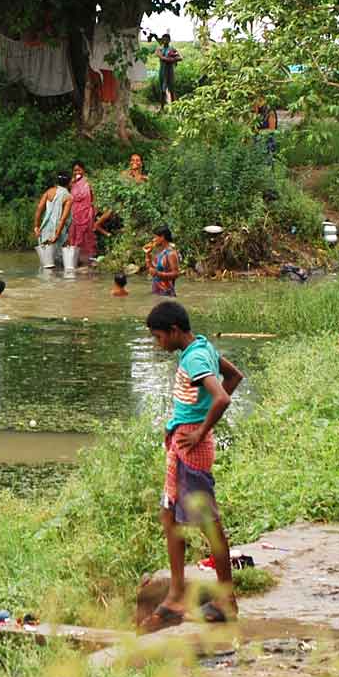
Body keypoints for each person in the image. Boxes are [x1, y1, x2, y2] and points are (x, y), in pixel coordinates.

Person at [142, 301, 245, 631]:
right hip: (181, 444)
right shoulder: (200, 348)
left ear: (174, 331)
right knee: (169, 514)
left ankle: (226, 600)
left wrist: (201, 428)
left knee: (206, 522)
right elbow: (234, 376)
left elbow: (223, 396)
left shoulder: (197, 356)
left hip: (192, 447)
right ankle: (175, 594)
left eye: (159, 337)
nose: (158, 344)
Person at [33, 171, 72, 266]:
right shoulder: (68, 197)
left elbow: (39, 209)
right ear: (69, 182)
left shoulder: (48, 192)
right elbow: (63, 219)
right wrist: (57, 235)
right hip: (58, 231)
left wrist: (36, 227)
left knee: (46, 263)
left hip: (45, 229)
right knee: (58, 263)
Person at [66, 161, 96, 263]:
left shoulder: (89, 182)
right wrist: (73, 181)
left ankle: (88, 259)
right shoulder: (72, 183)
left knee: (87, 236)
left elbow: (93, 197)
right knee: (75, 236)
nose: (76, 172)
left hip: (86, 213)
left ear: (83, 170)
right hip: (75, 213)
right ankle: (75, 259)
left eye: (79, 170)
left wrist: (93, 211)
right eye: (75, 170)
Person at [147, 226, 181, 296]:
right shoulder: (160, 252)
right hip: (158, 292)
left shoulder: (171, 253)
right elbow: (151, 270)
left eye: (155, 237)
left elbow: (176, 274)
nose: (154, 240)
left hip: (167, 293)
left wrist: (157, 273)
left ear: (162, 237)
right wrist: (147, 254)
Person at [156, 34, 181, 108]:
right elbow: (162, 58)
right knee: (163, 90)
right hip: (163, 72)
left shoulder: (172, 48)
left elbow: (181, 57)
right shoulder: (159, 49)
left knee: (172, 90)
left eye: (167, 39)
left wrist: (171, 58)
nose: (165, 41)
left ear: (169, 40)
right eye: (164, 39)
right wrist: (173, 59)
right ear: (162, 40)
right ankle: (162, 108)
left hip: (170, 71)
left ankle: (174, 108)